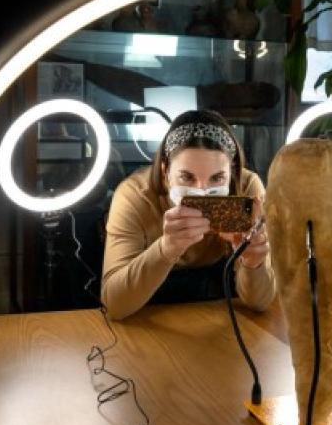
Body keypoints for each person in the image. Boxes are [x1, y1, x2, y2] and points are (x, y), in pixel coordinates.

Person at [101, 109, 276, 320]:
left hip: (219, 314)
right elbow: (114, 305)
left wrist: (253, 262)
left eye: (217, 178)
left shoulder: (247, 190)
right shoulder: (135, 196)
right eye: (187, 177)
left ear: (231, 172)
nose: (202, 191)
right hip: (148, 315)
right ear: (166, 172)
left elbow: (260, 303)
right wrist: (166, 249)